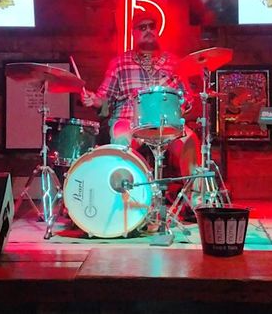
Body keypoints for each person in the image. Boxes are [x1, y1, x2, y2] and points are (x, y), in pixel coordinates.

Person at [80, 11, 200, 208]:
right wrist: (94, 100)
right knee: (120, 138)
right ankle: (125, 200)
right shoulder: (119, 63)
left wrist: (180, 106)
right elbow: (105, 98)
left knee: (190, 140)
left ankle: (195, 201)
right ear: (134, 33)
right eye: (142, 27)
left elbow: (187, 97)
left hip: (165, 124)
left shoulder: (174, 63)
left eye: (152, 26)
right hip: (129, 121)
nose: (148, 31)